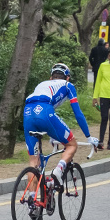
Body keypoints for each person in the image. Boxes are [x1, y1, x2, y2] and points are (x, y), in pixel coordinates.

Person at [23, 63, 99, 191]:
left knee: (33, 162)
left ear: (51, 77)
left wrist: (53, 135)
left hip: (27, 112)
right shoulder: (68, 85)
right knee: (72, 145)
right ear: (67, 78)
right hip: (45, 111)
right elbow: (78, 114)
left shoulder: (42, 84)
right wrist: (88, 136)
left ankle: (32, 198)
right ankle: (58, 170)